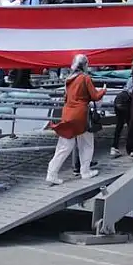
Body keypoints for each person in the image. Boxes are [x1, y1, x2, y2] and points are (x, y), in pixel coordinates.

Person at [45, 54, 106, 184]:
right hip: (81, 115)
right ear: (85, 65)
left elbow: (66, 98)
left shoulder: (68, 79)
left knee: (64, 146)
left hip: (68, 113)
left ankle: (52, 173)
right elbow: (95, 96)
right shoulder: (85, 78)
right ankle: (85, 171)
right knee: (87, 144)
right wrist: (103, 91)